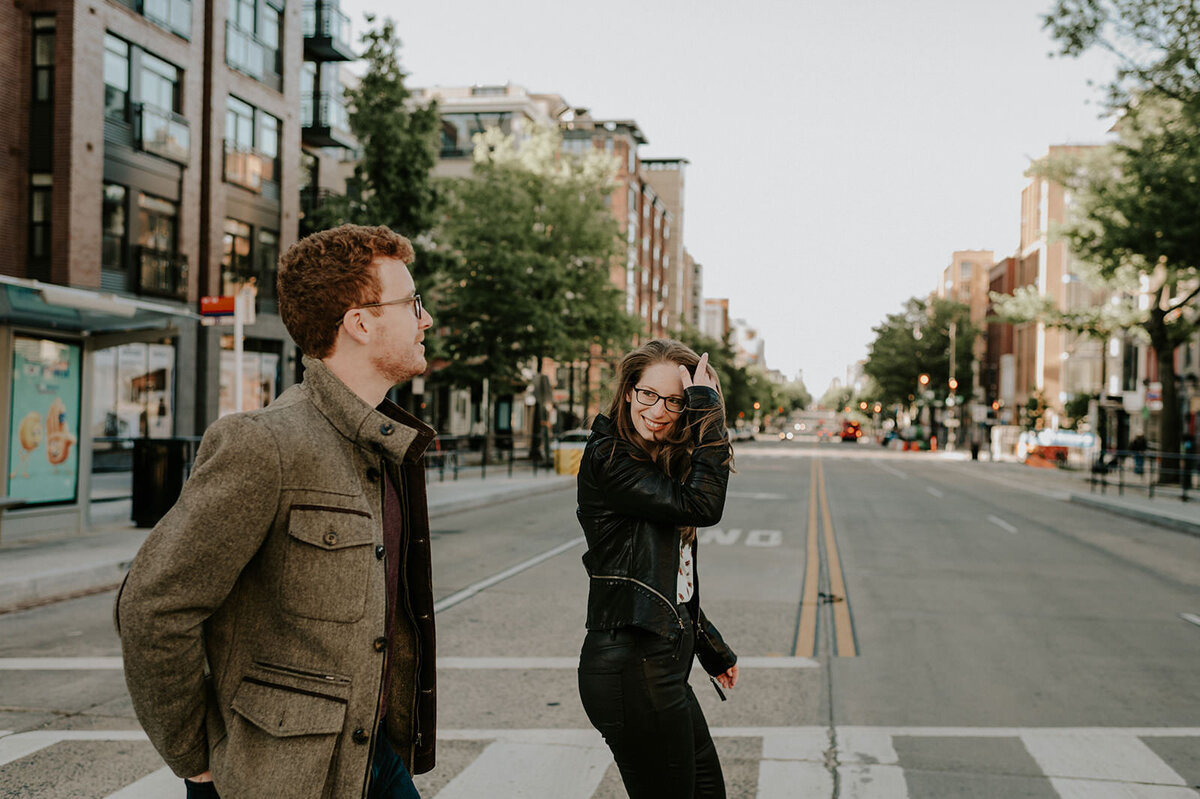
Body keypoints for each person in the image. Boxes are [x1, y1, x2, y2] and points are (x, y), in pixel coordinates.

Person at [116, 224, 437, 799]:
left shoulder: (384, 445)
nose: (426, 319)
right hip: (278, 778)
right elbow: (154, 606)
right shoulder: (264, 445)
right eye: (412, 303)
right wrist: (197, 764)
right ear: (360, 322)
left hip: (370, 758)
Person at [576, 339, 739, 798]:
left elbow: (669, 579)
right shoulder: (610, 457)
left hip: (661, 665)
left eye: (676, 401)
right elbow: (704, 505)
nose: (660, 410)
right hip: (630, 669)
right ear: (628, 391)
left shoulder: (656, 464)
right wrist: (708, 410)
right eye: (649, 394)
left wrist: (711, 647)